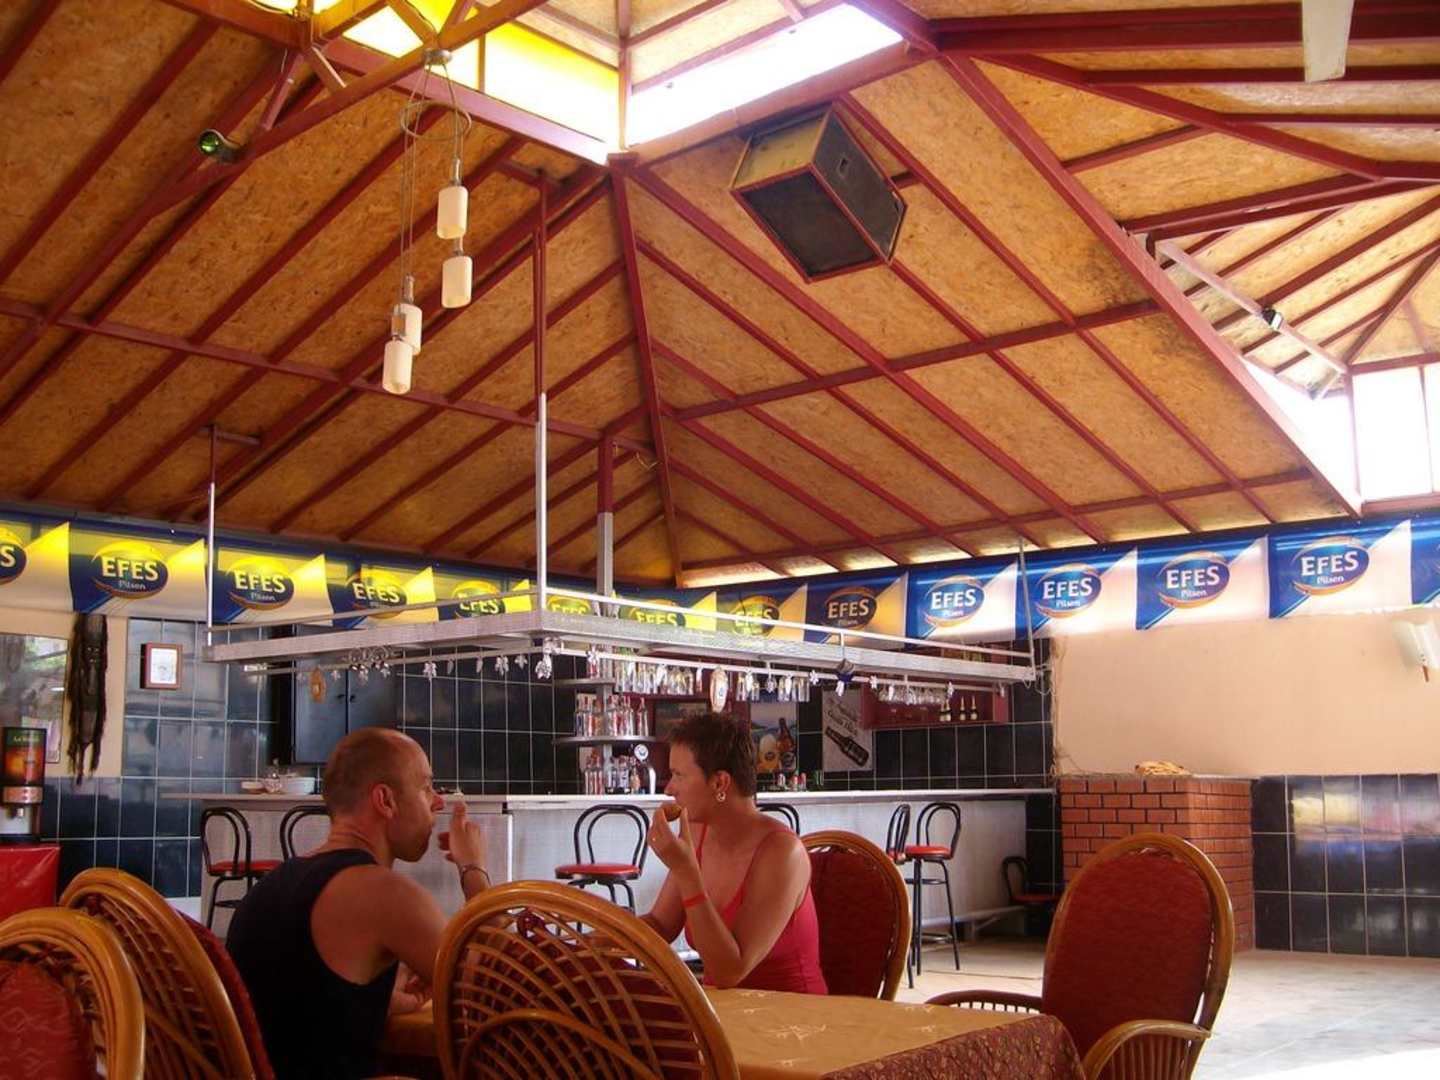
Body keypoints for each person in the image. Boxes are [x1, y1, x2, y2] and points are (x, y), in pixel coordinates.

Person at [227, 727, 489, 1079]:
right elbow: (494, 995)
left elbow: (292, 1013)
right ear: (385, 800)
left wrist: (377, 1001)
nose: (438, 802)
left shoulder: (270, 885)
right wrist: (473, 868)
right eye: (426, 787)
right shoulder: (384, 894)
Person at [641, 713, 826, 994]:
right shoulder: (697, 831)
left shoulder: (782, 853)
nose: (668, 789)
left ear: (720, 783)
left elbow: (729, 972)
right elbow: (660, 924)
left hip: (792, 1012)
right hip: (722, 1010)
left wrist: (686, 872)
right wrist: (591, 940)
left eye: (679, 775)